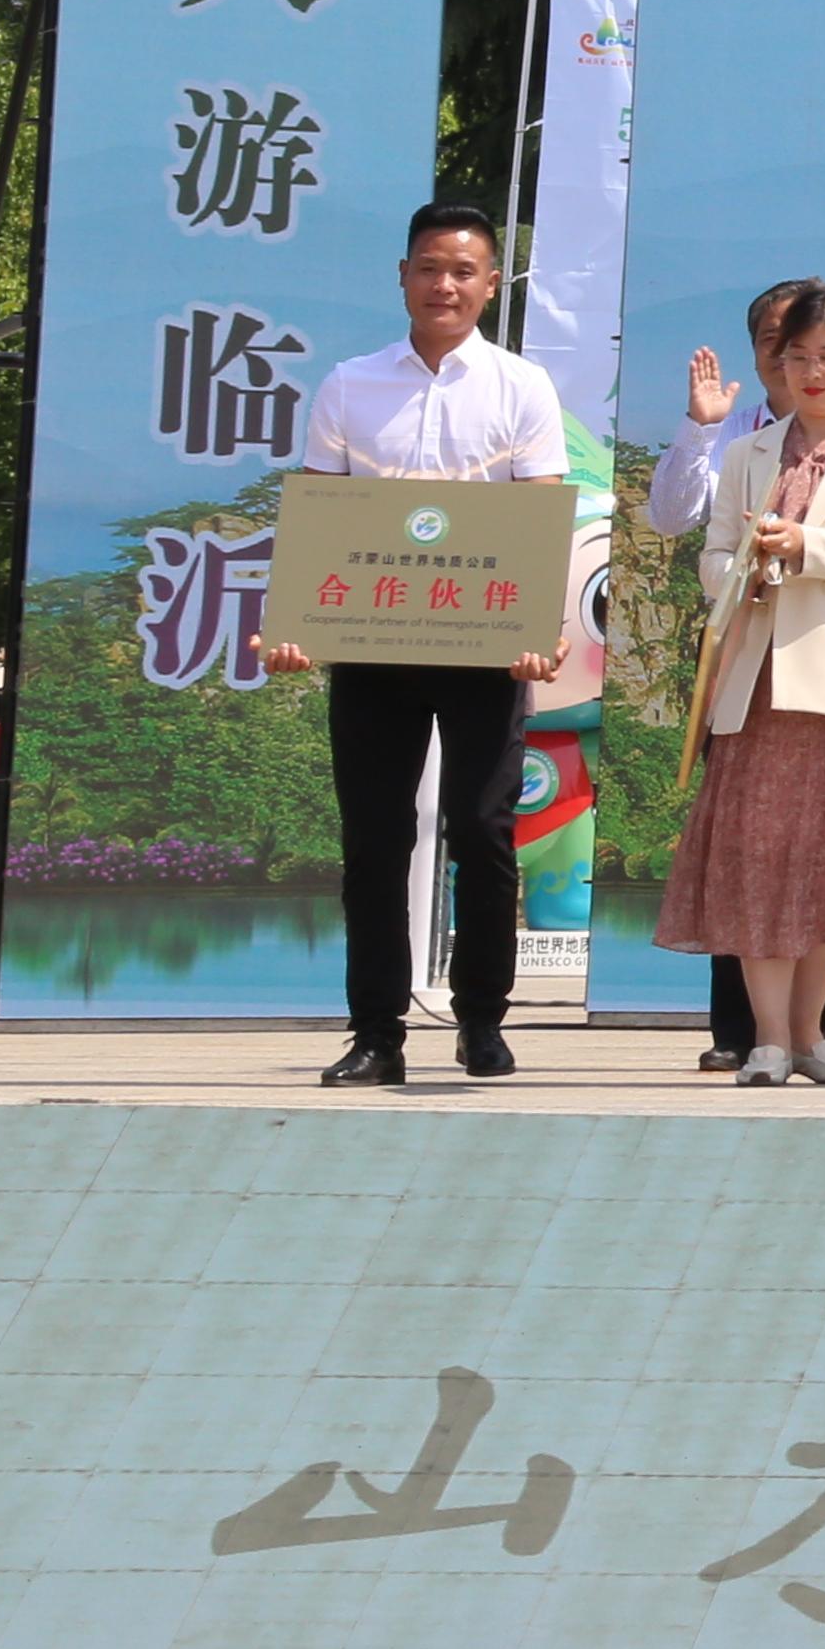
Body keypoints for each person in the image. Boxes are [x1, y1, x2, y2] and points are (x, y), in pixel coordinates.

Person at [257, 203, 571, 1089]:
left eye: (464, 271)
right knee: (375, 839)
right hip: (375, 645)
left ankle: (481, 1021)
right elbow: (322, 519)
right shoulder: (350, 385)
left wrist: (536, 632)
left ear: (491, 286)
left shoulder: (522, 387)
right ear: (402, 277)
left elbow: (538, 519)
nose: (445, 285)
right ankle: (376, 1033)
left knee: (483, 830)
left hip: (485, 648)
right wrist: (297, 626)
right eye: (430, 267)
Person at [656, 285, 825, 1086]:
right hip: (760, 678)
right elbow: (712, 556)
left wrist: (804, 543)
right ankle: (769, 1039)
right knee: (760, 860)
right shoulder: (749, 452)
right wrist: (742, 572)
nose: (812, 372)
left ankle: (813, 1034)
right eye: (797, 357)